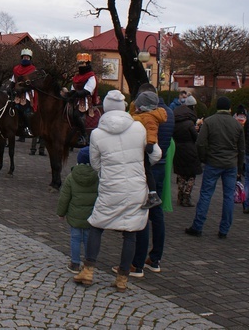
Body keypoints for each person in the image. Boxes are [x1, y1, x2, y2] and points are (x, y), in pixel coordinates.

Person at [72, 90, 151, 293]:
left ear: (106, 108)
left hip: (111, 187)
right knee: (130, 232)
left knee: (97, 225)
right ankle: (122, 278)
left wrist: (107, 174)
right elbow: (151, 154)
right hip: (136, 187)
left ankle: (88, 270)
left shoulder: (97, 134)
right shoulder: (139, 128)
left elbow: (95, 163)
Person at [129, 84, 174, 277]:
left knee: (142, 214)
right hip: (162, 167)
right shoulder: (169, 114)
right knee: (157, 215)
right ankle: (155, 259)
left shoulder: (144, 118)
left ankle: (136, 263)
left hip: (145, 167)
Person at [185, 96, 245, 239]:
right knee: (228, 197)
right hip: (231, 164)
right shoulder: (237, 125)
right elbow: (242, 148)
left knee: (206, 194)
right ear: (230, 109)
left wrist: (204, 158)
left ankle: (198, 226)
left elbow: (200, 143)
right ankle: (224, 230)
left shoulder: (210, 122)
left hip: (213, 162)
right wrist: (240, 168)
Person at [56, 147, 99, 274]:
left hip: (74, 215)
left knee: (75, 238)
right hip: (90, 215)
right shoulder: (97, 176)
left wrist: (61, 213)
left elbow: (64, 197)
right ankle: (87, 264)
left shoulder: (71, 177)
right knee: (87, 239)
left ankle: (75, 262)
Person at [130, 90, 167, 209]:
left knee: (146, 170)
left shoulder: (148, 117)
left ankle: (152, 195)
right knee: (146, 170)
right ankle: (152, 194)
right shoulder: (147, 114)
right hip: (145, 146)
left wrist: (150, 143)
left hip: (147, 147)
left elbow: (151, 130)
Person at [173, 95, 202, 207]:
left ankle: (179, 196)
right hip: (190, 150)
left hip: (178, 150)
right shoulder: (190, 123)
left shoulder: (176, 122)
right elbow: (196, 138)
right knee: (191, 175)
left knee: (181, 174)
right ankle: (186, 197)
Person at [66, 53, 98, 147]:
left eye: (82, 63)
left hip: (85, 100)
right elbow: (73, 87)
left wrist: (76, 93)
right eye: (79, 63)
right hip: (75, 99)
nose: (81, 65)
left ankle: (84, 136)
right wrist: (69, 93)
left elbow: (88, 90)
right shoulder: (76, 76)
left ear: (87, 64)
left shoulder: (91, 76)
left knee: (77, 114)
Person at [10, 48, 37, 137]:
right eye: (24, 57)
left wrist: (25, 89)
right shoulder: (16, 68)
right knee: (12, 108)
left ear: (30, 59)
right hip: (17, 92)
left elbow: (34, 83)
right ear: (22, 58)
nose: (25, 59)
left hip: (27, 93)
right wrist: (10, 88)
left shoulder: (33, 69)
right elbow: (13, 81)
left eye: (27, 57)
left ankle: (27, 128)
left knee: (25, 111)